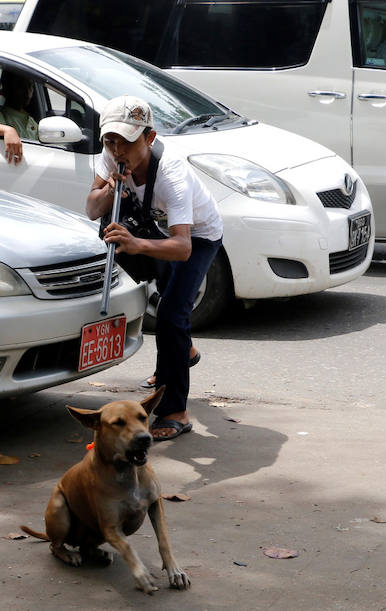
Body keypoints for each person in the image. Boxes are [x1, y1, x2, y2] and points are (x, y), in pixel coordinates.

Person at [87, 95, 223, 441]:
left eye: (127, 141)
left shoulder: (171, 174)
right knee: (163, 299)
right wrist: (111, 188)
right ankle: (182, 351)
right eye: (110, 140)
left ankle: (175, 411)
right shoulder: (111, 154)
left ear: (149, 138)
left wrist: (136, 244)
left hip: (197, 237)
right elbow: (92, 208)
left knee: (171, 316)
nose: (118, 149)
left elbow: (183, 247)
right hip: (154, 229)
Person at [0, 71, 38, 141]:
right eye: (21, 86)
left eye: (30, 85)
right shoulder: (2, 120)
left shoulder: (31, 121)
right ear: (7, 88)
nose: (27, 92)